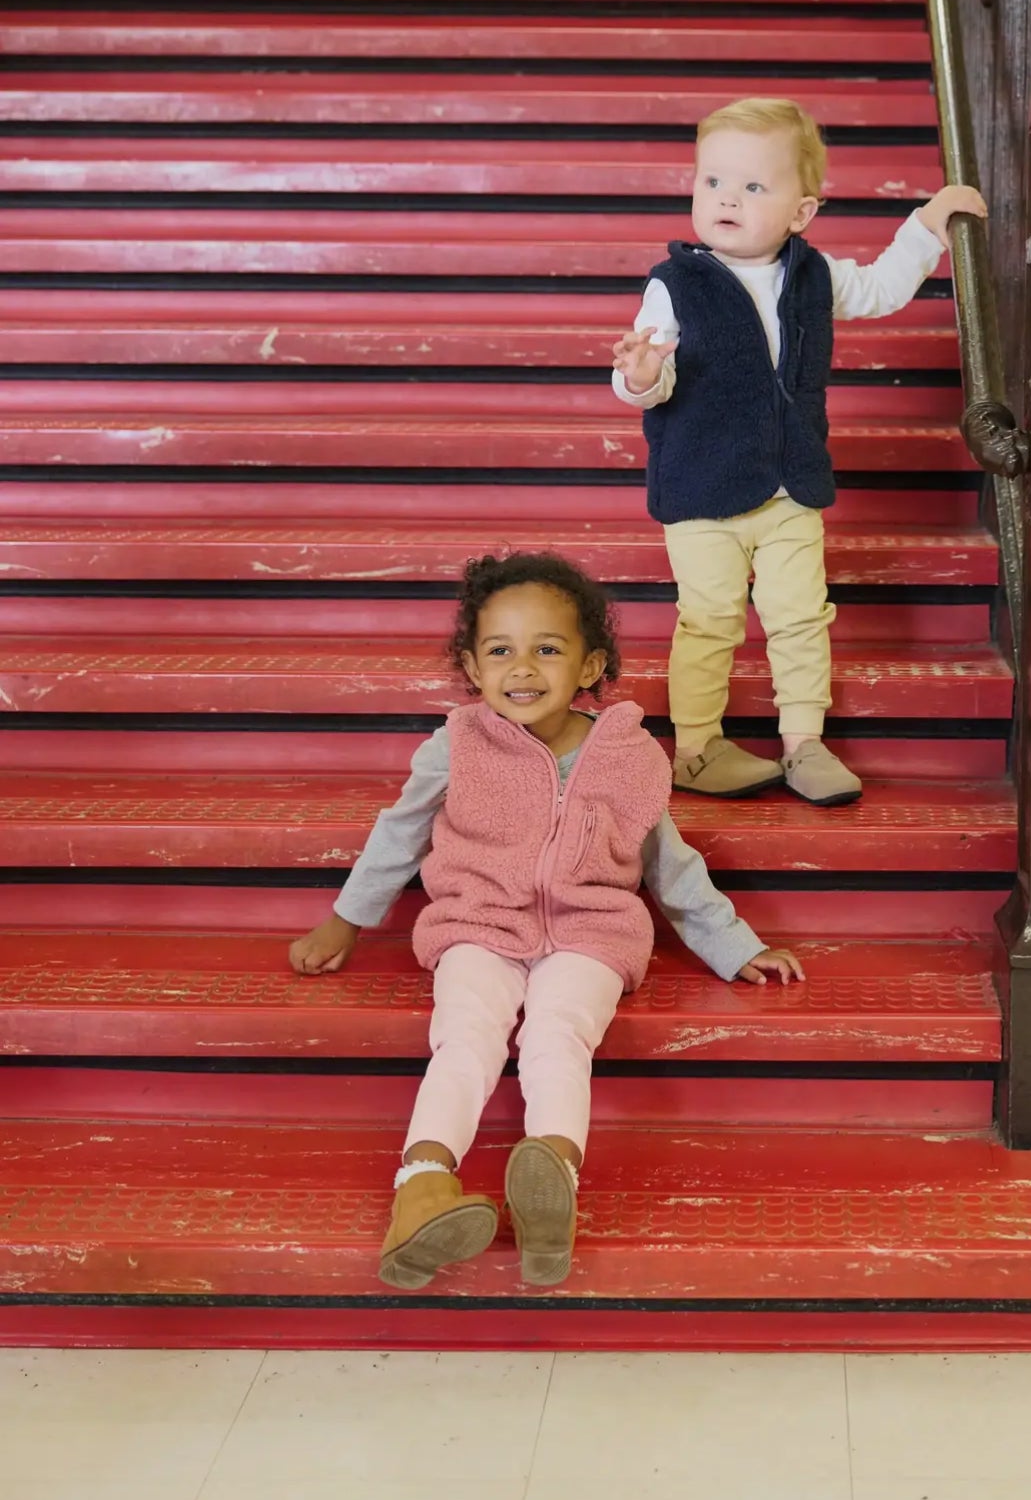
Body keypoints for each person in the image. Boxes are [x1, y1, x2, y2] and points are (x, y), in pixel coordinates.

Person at [289, 550, 802, 1292]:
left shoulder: (626, 755)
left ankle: (550, 1184)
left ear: (590, 665)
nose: (522, 668)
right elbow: (400, 832)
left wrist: (732, 946)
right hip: (478, 924)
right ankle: (422, 1189)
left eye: (548, 650)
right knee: (465, 1035)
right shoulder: (458, 744)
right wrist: (346, 919)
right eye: (500, 651)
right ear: (473, 666)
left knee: (557, 1034)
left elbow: (668, 861)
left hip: (592, 932)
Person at [612, 96, 987, 807]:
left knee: (799, 616)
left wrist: (927, 225)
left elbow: (880, 289)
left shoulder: (814, 275)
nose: (727, 199)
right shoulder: (675, 285)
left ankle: (803, 742)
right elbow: (649, 382)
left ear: (801, 211)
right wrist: (641, 375)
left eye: (753, 186)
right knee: (709, 620)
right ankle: (696, 747)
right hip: (701, 491)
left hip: (790, 488)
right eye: (712, 181)